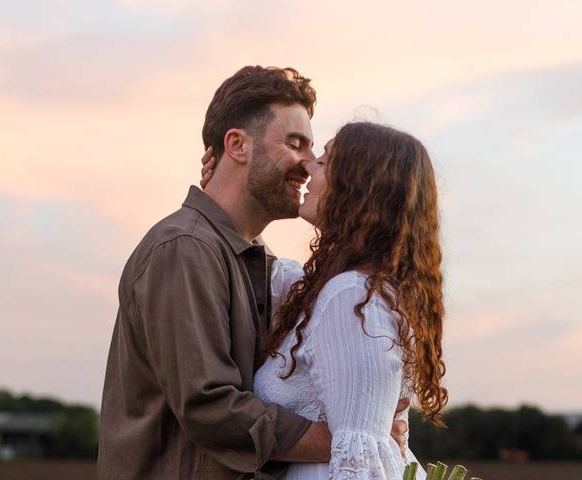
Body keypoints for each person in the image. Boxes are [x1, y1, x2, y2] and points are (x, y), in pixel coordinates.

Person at [98, 66, 407, 480]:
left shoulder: (254, 262)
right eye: (295, 144)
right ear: (237, 145)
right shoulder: (184, 249)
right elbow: (209, 405)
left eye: (313, 151)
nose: (308, 164)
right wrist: (350, 440)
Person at [203, 122, 447, 479]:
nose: (308, 167)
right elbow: (259, 265)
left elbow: (359, 465)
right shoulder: (336, 292)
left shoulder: (352, 299)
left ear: (357, 188)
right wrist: (223, 198)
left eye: (324, 161)